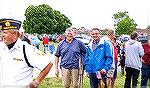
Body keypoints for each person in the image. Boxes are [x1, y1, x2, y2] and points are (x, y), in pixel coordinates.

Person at [0, 18, 53, 88]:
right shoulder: (1, 47)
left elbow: (48, 64)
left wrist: (36, 82)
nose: (2, 35)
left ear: (15, 34)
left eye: (5, 32)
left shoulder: (26, 49)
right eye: (2, 32)